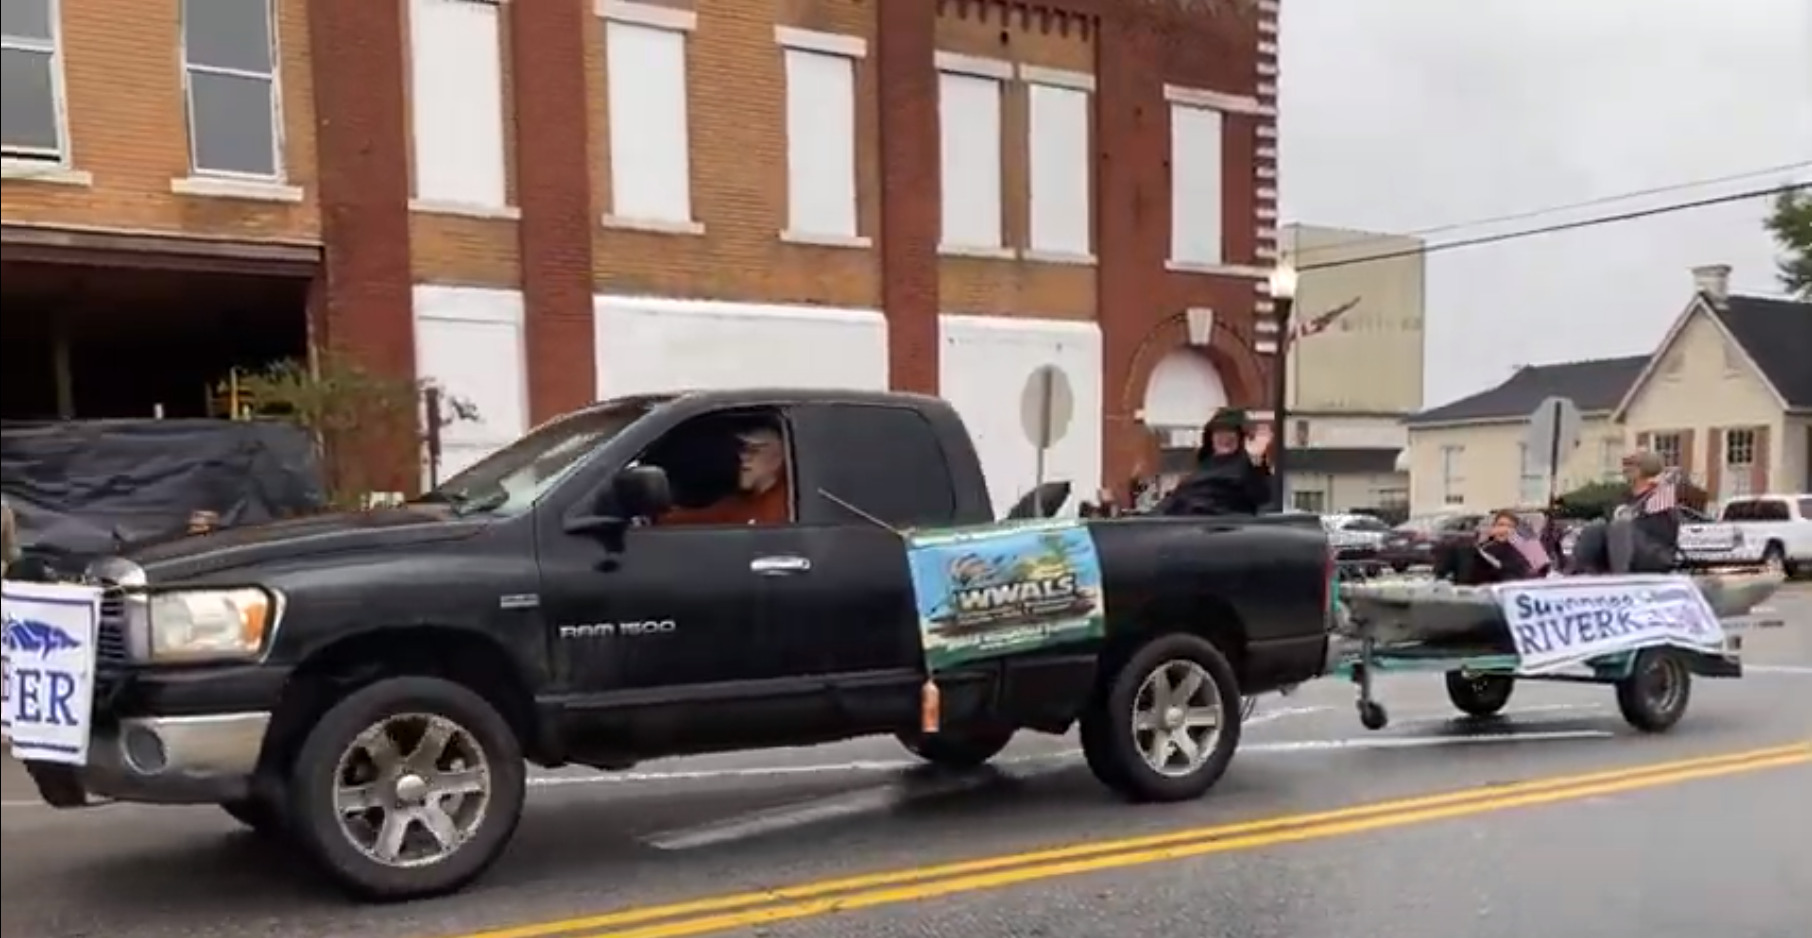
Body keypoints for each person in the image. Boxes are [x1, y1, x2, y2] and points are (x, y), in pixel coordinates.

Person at [1569, 451, 1681, 574]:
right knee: (1596, 526)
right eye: (1625, 464)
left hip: (1653, 552)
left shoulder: (1659, 498)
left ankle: (1621, 579)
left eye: (1631, 465)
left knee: (1621, 526)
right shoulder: (1622, 498)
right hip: (1618, 549)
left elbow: (1662, 534)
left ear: (1646, 468)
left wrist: (1627, 525)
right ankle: (1577, 576)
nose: (1625, 469)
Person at [659, 423, 791, 526]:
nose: (743, 457)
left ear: (779, 457)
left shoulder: (790, 504)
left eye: (754, 450)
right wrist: (657, 517)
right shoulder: (741, 503)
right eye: (741, 450)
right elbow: (701, 518)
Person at [1156, 407, 1275, 516]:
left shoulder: (1244, 468)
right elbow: (1172, 502)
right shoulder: (1202, 468)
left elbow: (1262, 496)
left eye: (1230, 432)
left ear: (1240, 438)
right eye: (1219, 432)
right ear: (1211, 437)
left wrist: (1254, 459)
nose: (1225, 438)